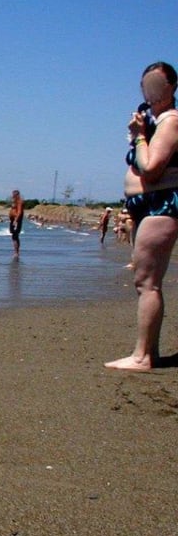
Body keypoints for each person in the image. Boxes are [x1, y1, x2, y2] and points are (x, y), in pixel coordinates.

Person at [106, 61, 178, 371]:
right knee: (144, 280)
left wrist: (138, 137)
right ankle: (151, 351)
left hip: (162, 203)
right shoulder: (156, 121)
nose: (150, 92)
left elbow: (151, 167)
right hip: (144, 204)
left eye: (156, 85)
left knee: (147, 282)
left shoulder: (172, 121)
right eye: (145, 86)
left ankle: (143, 357)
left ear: (171, 88)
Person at [8, 189, 24, 258]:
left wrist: (15, 220)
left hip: (16, 220)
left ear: (17, 195)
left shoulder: (19, 201)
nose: (12, 195)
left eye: (14, 194)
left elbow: (19, 212)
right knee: (14, 236)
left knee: (15, 236)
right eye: (12, 194)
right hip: (13, 220)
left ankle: (16, 253)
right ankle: (16, 252)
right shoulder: (14, 201)